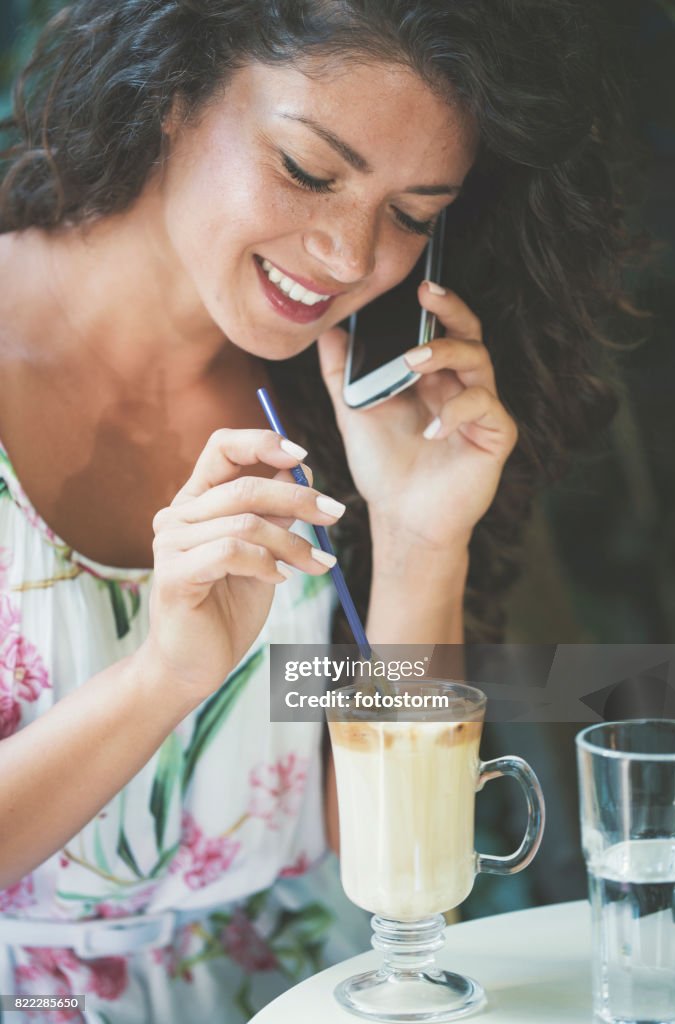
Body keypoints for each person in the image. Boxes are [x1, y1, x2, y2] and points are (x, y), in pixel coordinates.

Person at [0, 1, 635, 1020]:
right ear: (173, 92)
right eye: (307, 169)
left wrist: (424, 535)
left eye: (412, 214)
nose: (347, 256)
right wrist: (164, 677)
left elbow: (393, 853)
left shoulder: (340, 413)